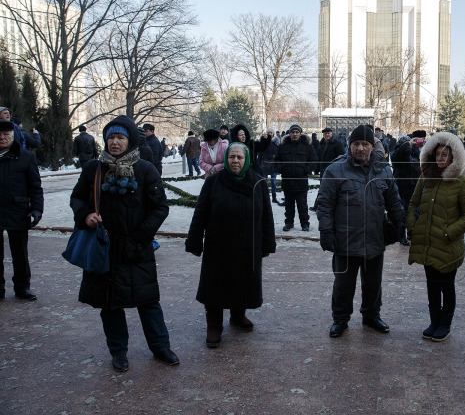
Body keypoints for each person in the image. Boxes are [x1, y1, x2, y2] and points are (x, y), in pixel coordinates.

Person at [69, 115, 178, 372]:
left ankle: (160, 346)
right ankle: (118, 351)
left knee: (148, 301)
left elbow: (160, 208)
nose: (115, 142)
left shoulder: (144, 169)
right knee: (109, 304)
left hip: (137, 248)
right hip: (105, 249)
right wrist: (86, 215)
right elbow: (77, 198)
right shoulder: (94, 169)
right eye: (111, 138)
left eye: (120, 137)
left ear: (129, 141)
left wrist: (140, 238)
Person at [316, 125, 406, 338]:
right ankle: (340, 319)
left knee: (373, 283)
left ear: (372, 146)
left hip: (374, 238)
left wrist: (400, 224)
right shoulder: (335, 170)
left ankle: (372, 315)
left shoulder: (383, 170)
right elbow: (325, 204)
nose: (360, 148)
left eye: (365, 144)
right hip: (345, 240)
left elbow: (393, 201)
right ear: (349, 146)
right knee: (343, 284)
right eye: (356, 144)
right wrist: (326, 232)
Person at [185, 142, 276, 347]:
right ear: (226, 159)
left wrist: (268, 243)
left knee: (242, 281)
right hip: (219, 245)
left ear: (246, 160)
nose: (235, 161)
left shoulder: (258, 182)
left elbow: (266, 216)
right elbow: (200, 213)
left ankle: (237, 315)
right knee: (216, 287)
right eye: (231, 157)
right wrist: (194, 241)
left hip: (248, 244)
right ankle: (214, 325)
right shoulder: (214, 182)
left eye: (239, 158)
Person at [406, 132, 465, 341]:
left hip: (448, 246)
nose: (440, 158)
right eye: (437, 154)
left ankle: (445, 323)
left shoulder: (462, 182)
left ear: (454, 156)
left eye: (445, 154)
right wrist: (413, 226)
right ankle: (434, 320)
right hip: (427, 243)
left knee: (446, 285)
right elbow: (412, 204)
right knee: (431, 285)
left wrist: (448, 233)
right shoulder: (426, 177)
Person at [0, 120, 43, 301]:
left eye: (6, 134)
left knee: (20, 253)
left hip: (17, 211)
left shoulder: (26, 157)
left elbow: (35, 187)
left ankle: (22, 287)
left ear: (13, 136)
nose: (2, 138)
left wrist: (36, 209)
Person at [273, 124, 318, 232]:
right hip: (287, 180)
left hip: (301, 181)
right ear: (289, 133)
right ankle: (289, 222)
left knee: (302, 205)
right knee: (289, 205)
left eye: (297, 132)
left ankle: (304, 223)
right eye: (293, 132)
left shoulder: (307, 145)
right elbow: (276, 160)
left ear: (300, 133)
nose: (294, 134)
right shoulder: (283, 146)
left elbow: (314, 160)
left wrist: (305, 170)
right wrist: (282, 168)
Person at [392, 130, 425, 245]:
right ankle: (401, 236)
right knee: (402, 212)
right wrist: (408, 144)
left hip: (414, 185)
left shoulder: (416, 152)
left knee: (414, 211)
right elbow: (400, 154)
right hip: (402, 187)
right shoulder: (398, 154)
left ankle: (411, 234)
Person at [310, 127, 345, 212]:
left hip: (334, 171)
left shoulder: (337, 144)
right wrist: (317, 168)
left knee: (333, 190)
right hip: (323, 170)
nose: (327, 135)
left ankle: (333, 206)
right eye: (325, 134)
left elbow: (342, 157)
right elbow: (319, 157)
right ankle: (317, 205)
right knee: (322, 188)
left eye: (328, 133)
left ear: (331, 134)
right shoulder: (321, 144)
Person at [258, 127, 280, 204]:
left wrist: (278, 165)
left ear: (273, 134)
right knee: (265, 181)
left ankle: (274, 197)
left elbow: (278, 156)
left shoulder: (276, 144)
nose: (270, 134)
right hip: (264, 164)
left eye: (271, 132)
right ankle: (265, 196)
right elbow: (260, 154)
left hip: (274, 165)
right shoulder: (263, 143)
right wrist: (259, 164)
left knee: (273, 181)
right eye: (268, 132)